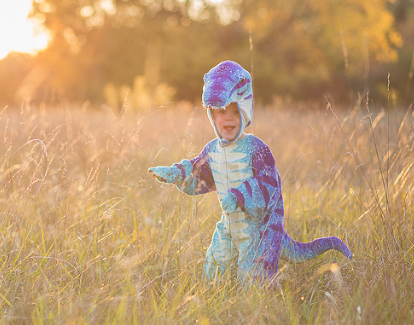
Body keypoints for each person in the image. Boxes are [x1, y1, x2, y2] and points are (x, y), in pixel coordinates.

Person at [148, 60, 352, 285]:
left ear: (244, 112)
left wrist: (238, 195)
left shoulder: (257, 148)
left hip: (260, 231)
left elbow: (269, 186)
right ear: (212, 117)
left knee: (253, 284)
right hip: (229, 225)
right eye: (222, 111)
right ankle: (216, 303)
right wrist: (174, 173)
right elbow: (199, 172)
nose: (229, 117)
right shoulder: (213, 150)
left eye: (235, 111)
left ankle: (258, 309)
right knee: (213, 270)